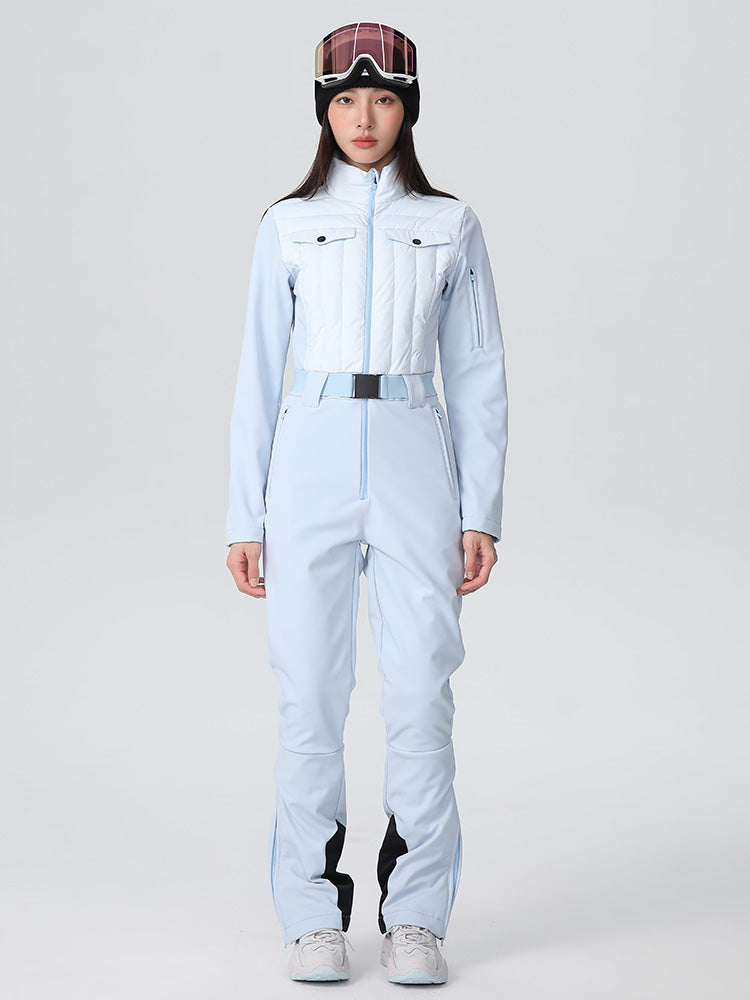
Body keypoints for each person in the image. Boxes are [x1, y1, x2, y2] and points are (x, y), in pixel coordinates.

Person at [225, 21, 508, 985]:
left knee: (422, 693)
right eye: (345, 99)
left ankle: (416, 916)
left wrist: (481, 511)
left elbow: (478, 372)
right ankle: (312, 914)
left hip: (413, 458)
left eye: (383, 98)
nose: (363, 116)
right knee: (309, 693)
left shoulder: (451, 224)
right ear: (324, 109)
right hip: (306, 459)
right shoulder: (288, 223)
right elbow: (258, 374)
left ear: (408, 109)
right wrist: (245, 516)